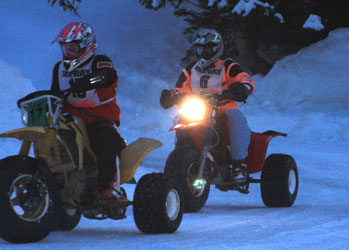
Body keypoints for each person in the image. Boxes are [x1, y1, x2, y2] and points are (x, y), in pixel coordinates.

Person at [160, 28, 255, 184]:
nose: (204, 53)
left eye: (209, 49)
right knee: (179, 118)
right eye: (200, 49)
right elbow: (180, 89)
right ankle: (181, 155)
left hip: (223, 108)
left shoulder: (227, 66)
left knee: (236, 119)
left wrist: (242, 88)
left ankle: (239, 164)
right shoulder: (191, 69)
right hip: (199, 109)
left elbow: (245, 79)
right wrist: (170, 96)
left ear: (217, 48)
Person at [50, 22, 126, 202]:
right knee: (52, 141)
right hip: (70, 119)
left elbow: (107, 75)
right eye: (65, 49)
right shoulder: (59, 68)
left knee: (104, 140)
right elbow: (55, 92)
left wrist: (87, 81)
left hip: (100, 118)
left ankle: (109, 188)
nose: (68, 53)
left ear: (87, 45)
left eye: (73, 49)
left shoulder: (99, 61)